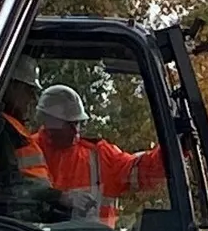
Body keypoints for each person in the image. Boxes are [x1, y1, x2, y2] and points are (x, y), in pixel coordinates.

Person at [15, 83, 162, 223]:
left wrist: (174, 150)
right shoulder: (25, 149)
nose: (76, 131)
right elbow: (19, 193)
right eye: (69, 124)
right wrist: (61, 198)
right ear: (48, 123)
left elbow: (142, 169)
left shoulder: (99, 155)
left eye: (77, 123)